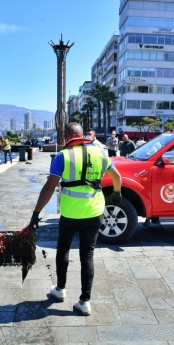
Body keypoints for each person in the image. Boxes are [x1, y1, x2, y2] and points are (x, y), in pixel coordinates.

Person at [29, 122, 122, 316]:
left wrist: (36, 213)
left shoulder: (63, 156)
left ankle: (60, 290)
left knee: (63, 249)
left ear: (66, 137)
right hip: (94, 212)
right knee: (87, 256)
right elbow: (117, 177)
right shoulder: (99, 153)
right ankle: (84, 301)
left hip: (71, 214)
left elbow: (48, 188)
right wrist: (116, 194)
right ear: (82, 135)